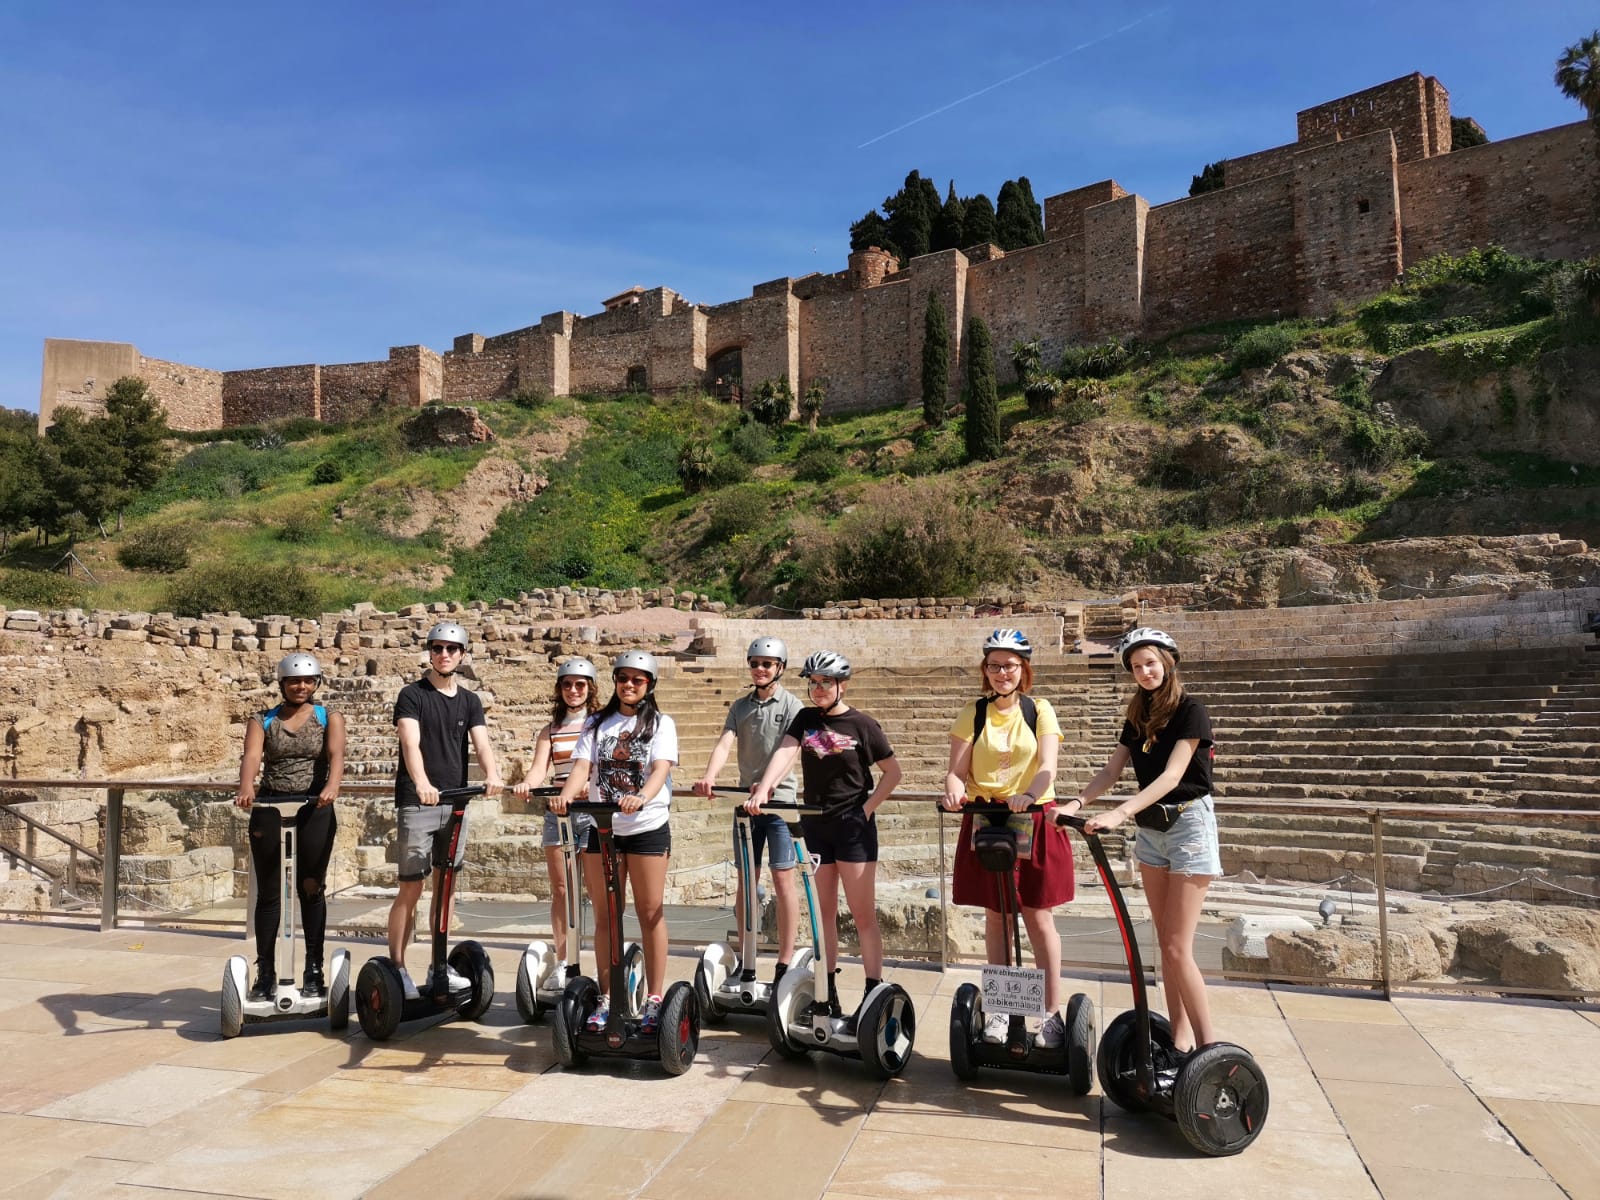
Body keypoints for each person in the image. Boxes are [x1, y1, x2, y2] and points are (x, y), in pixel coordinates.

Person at [1064, 627, 1221, 1054]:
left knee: (1176, 945)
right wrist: (1077, 802)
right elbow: (1112, 771)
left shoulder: (1192, 711)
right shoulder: (1137, 716)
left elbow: (1173, 776)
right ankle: (1181, 1038)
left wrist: (1119, 812)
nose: (1144, 672)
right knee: (1165, 944)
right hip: (1152, 831)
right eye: (1136, 667)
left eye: (1150, 663)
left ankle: (1211, 1050)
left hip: (1189, 825)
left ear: (1167, 662)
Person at [748, 650, 901, 1031]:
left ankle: (872, 989)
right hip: (816, 825)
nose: (818, 690)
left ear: (841, 685)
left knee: (863, 915)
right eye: (813, 683)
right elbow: (785, 753)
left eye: (825, 683)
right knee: (824, 914)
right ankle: (826, 989)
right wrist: (764, 789)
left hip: (853, 828)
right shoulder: (805, 718)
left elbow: (893, 773)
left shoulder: (862, 724)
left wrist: (866, 809)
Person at [940, 629, 1074, 1047]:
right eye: (995, 665)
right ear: (985, 669)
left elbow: (1047, 765)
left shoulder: (1040, 710)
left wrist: (1030, 795)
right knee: (996, 916)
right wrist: (953, 790)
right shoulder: (972, 712)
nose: (1002, 673)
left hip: (1031, 818)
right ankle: (1000, 1009)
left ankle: (1050, 1013)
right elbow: (956, 772)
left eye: (1010, 665)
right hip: (988, 820)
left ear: (1024, 669)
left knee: (1038, 915)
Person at [552, 649, 679, 1033]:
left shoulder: (660, 723)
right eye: (622, 678)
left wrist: (642, 795)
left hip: (646, 827)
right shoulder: (595, 724)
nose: (628, 685)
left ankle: (655, 997)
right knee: (606, 914)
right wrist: (567, 795)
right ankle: (608, 997)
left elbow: (660, 770)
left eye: (637, 680)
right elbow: (582, 769)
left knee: (650, 910)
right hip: (602, 828)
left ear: (649, 685)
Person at [389, 621, 504, 1000]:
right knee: (411, 887)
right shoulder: (412, 695)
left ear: (462, 655)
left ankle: (439, 965)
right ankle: (399, 969)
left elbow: (482, 744)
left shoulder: (470, 700)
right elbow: (411, 742)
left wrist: (493, 774)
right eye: (437, 648)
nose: (444, 654)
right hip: (417, 802)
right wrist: (422, 782)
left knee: (447, 887)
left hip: (455, 803)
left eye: (451, 649)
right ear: (430, 652)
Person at [692, 636, 804, 988]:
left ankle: (785, 960)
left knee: (784, 879)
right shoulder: (740, 707)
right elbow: (725, 742)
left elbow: (791, 752)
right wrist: (710, 776)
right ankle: (747, 957)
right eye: (755, 663)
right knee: (746, 881)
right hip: (746, 802)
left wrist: (769, 786)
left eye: (767, 664)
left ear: (780, 668)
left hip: (781, 803)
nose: (759, 669)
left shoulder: (792, 706)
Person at [235, 652, 346, 1001]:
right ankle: (265, 971)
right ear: (282, 684)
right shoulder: (263, 719)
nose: (301, 686)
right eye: (294, 681)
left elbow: (336, 755)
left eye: (307, 681)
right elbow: (252, 756)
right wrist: (246, 786)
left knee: (310, 887)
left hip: (314, 805)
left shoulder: (329, 717)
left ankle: (314, 968)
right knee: (269, 892)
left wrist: (332, 786)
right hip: (270, 803)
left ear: (316, 683)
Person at [512, 657, 602, 977]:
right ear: (559, 689)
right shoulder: (549, 731)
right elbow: (539, 770)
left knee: (595, 889)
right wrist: (528, 784)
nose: (573, 690)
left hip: (592, 813)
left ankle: (599, 961)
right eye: (567, 684)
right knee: (561, 889)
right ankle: (565, 959)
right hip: (558, 813)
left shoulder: (601, 724)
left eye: (579, 685)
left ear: (589, 688)